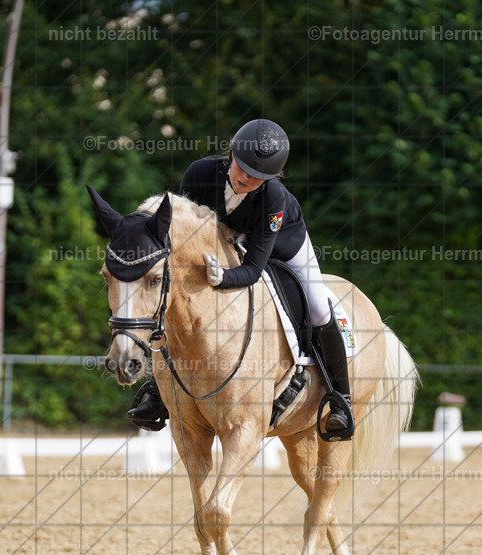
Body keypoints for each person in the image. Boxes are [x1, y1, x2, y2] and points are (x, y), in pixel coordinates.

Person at [126, 119, 353, 438]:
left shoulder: (273, 197)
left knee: (318, 306)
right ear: (231, 154)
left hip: (281, 243)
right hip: (224, 239)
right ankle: (158, 390)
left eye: (258, 176)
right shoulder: (199, 174)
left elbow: (255, 268)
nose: (246, 178)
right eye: (243, 168)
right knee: (177, 298)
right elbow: (184, 236)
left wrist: (224, 279)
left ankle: (340, 399)